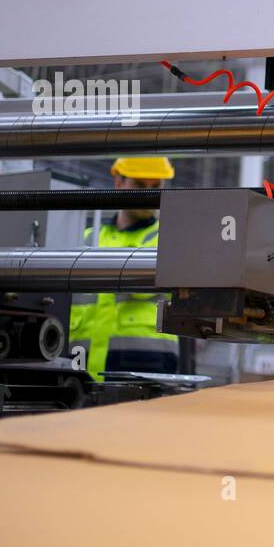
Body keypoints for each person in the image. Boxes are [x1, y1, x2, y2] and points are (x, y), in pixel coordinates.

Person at [69, 157, 178, 380]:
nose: (149, 194)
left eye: (156, 187)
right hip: (79, 365)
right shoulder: (88, 238)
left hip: (147, 366)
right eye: (140, 185)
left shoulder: (170, 238)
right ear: (119, 183)